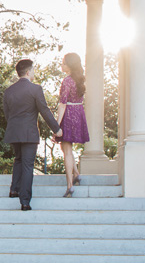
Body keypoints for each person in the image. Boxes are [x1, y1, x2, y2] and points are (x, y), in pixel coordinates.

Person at [3, 58, 62, 211]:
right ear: (28, 72)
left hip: (14, 131)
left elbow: (7, 114)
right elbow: (44, 111)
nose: (34, 73)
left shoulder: (8, 91)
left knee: (18, 160)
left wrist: (15, 126)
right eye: (33, 70)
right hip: (29, 132)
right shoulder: (35, 89)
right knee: (28, 165)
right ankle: (25, 201)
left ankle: (14, 189)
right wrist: (56, 129)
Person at [55, 52, 90, 198]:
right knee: (66, 148)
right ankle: (76, 174)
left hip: (68, 114)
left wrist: (56, 125)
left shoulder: (67, 81)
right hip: (78, 113)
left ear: (69, 65)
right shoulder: (80, 80)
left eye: (63, 62)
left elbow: (62, 104)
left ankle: (69, 185)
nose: (61, 65)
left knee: (67, 150)